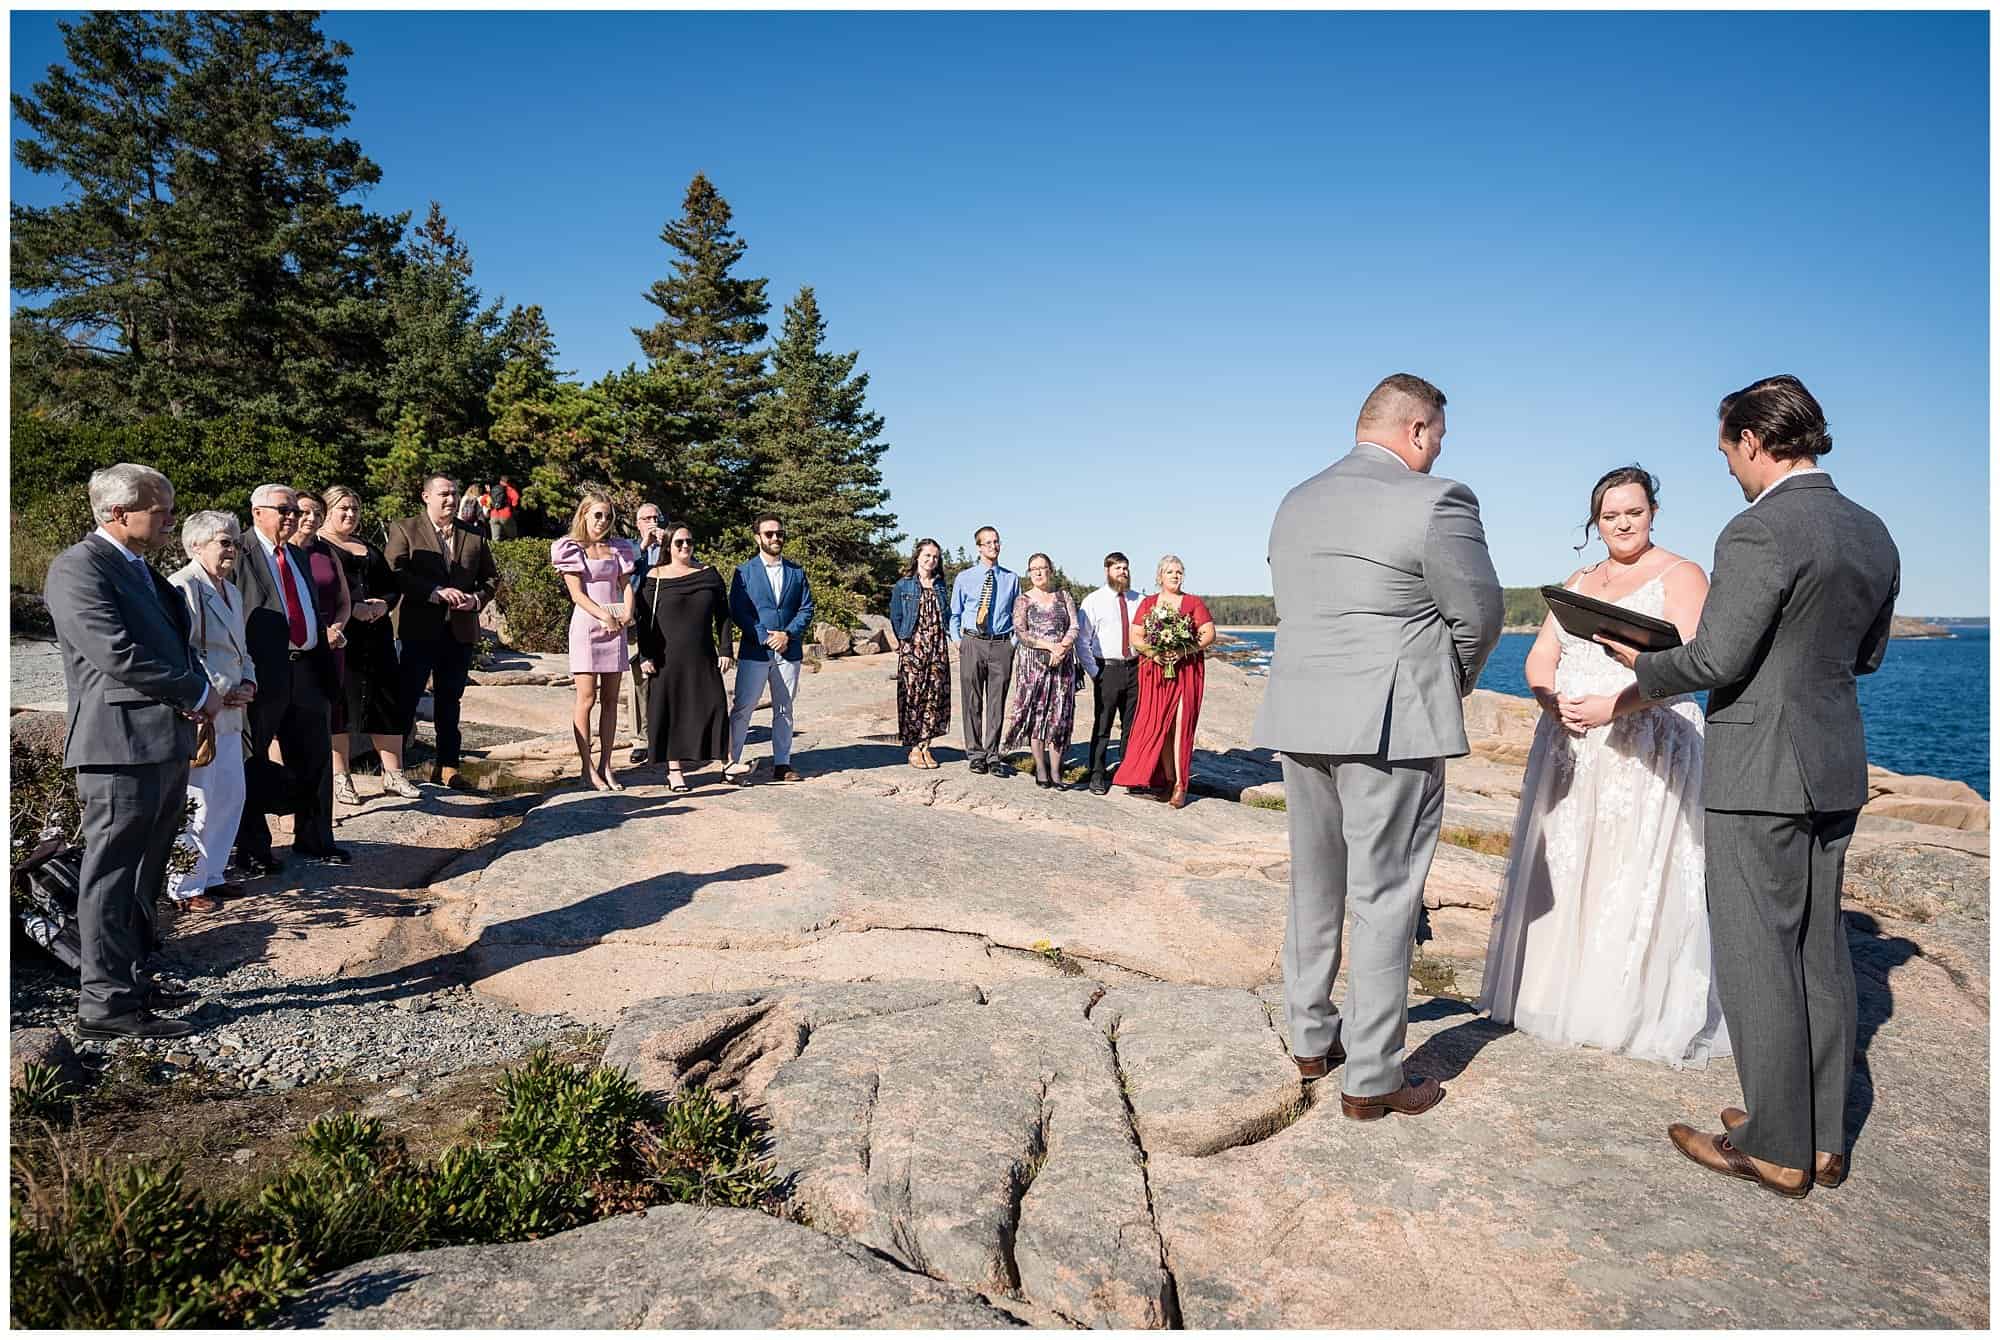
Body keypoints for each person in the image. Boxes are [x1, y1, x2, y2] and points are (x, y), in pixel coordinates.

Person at [1599, 375, 1899, 1198]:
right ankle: (1821, 1134)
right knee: (1820, 948)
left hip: (1761, 768)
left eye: (1729, 449)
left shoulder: (1758, 530)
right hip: (1837, 764)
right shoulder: (1871, 531)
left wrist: (1642, 662)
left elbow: (1716, 660)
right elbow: (1866, 654)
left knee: (1757, 951)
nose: (1730, 466)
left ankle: (1774, 1144)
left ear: (1755, 442)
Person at [1252, 373, 1502, 1118]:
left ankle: (1308, 1036)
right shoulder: (1438, 500)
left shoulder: (1295, 499)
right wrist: (1446, 679)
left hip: (1301, 714)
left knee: (1314, 881)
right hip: (1391, 720)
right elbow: (1480, 615)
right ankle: (1372, 1076)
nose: (1435, 453)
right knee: (1386, 894)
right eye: (1437, 439)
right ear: (1418, 430)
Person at [1477, 466, 1729, 1068]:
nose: (1621, 523)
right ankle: (1551, 996)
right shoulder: (1580, 579)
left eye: (1633, 513)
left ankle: (1626, 1007)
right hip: (1569, 740)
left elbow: (1689, 666)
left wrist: (1613, 705)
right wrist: (1549, 699)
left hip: (1645, 740)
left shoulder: (1682, 574)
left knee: (1630, 867)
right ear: (1596, 520)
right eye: (1610, 514)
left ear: (1652, 513)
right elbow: (1542, 656)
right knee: (1569, 866)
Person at [45, 463, 216, 1039]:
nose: (170, 516)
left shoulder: (145, 572)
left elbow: (175, 645)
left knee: (143, 873)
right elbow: (114, 653)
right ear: (118, 513)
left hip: (161, 742)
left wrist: (199, 694)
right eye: (159, 507)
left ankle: (132, 980)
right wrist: (195, 690)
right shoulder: (78, 568)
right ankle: (105, 1005)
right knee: (111, 875)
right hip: (117, 747)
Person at [234, 481, 345, 867]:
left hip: (308, 669)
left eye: (295, 511)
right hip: (261, 675)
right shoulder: (239, 553)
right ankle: (253, 848)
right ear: (257, 512)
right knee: (251, 759)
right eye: (284, 510)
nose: (292, 517)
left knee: (315, 758)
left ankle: (315, 839)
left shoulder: (296, 555)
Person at [166, 510, 257, 914]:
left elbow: (241, 650)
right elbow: (184, 651)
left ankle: (213, 873)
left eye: (234, 542)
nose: (232, 549)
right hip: (204, 709)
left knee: (229, 795)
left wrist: (249, 683)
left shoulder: (231, 591)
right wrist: (217, 691)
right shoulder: (183, 586)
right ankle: (183, 885)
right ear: (196, 545)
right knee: (198, 798)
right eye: (224, 541)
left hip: (233, 710)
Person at [385, 475, 499, 791]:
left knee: (450, 702)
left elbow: (490, 579)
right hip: (418, 628)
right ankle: (395, 769)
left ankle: (447, 766)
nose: (450, 499)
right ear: (426, 496)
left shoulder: (474, 535)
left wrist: (476, 599)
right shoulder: (405, 528)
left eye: (454, 493)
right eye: (443, 494)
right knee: (406, 699)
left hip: (459, 631)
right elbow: (395, 572)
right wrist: (433, 592)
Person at [321, 485, 419, 802]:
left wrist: (383, 605)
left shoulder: (367, 545)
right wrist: (353, 611)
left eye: (355, 509)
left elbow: (391, 586)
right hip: (342, 638)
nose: (350, 514)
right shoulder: (319, 547)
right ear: (327, 510)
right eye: (343, 508)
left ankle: (393, 773)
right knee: (341, 707)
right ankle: (341, 777)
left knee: (387, 702)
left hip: (377, 637)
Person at [632, 518, 733, 792]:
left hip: (702, 655)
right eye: (679, 542)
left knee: (716, 705)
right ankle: (674, 771)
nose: (685, 546)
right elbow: (643, 621)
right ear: (668, 546)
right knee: (670, 711)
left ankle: (728, 762)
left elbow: (723, 616)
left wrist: (726, 649)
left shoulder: (709, 573)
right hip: (665, 658)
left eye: (689, 541)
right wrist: (645, 656)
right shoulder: (655, 576)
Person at [552, 489, 638, 791]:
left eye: (607, 516)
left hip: (615, 626)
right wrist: (602, 615)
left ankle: (607, 765)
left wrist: (628, 610)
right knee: (586, 698)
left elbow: (626, 584)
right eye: (597, 514)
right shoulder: (570, 548)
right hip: (588, 627)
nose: (602, 521)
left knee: (612, 701)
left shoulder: (619, 548)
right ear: (584, 514)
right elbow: (577, 594)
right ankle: (587, 767)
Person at [726, 513, 815, 784]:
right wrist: (765, 636)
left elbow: (807, 607)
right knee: (743, 708)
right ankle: (731, 764)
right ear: (757, 538)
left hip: (789, 650)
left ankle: (782, 763)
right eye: (769, 534)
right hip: (756, 650)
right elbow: (738, 610)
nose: (775, 538)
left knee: (784, 708)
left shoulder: (796, 572)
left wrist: (788, 634)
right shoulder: (743, 572)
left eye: (779, 533)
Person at [293, 491, 354, 803]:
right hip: (295, 651)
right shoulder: (281, 554)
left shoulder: (326, 551)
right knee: (287, 728)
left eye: (317, 513)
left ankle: (336, 783)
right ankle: (287, 801)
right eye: (305, 512)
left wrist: (338, 627)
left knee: (330, 715)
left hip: (331, 647)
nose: (311, 519)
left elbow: (344, 600)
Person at [1003, 553, 1083, 789]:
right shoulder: (1023, 600)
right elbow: (1021, 633)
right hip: (1033, 665)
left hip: (1063, 665)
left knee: (1059, 717)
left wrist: (1062, 648)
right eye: (1033, 569)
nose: (1038, 572)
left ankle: (1057, 771)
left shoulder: (1063, 596)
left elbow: (1075, 625)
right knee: (1038, 716)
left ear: (1051, 570)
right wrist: (1049, 646)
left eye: (1043, 568)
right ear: (1029, 573)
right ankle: (1040, 768)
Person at [948, 525, 1019, 777]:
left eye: (996, 542)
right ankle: (975, 753)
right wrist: (958, 640)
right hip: (972, 642)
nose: (993, 546)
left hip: (1001, 644)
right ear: (978, 547)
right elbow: (954, 613)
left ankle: (992, 754)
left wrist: (1013, 644)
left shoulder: (1011, 579)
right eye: (987, 543)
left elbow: (1017, 616)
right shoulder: (964, 578)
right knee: (971, 700)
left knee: (997, 702)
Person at [1078, 551, 1143, 795]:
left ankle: (1128, 774)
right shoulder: (1093, 601)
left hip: (1135, 669)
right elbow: (1082, 642)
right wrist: (1095, 672)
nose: (1123, 572)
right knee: (1103, 725)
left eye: (1125, 568)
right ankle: (1097, 773)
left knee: (1132, 726)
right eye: (1118, 568)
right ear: (1107, 571)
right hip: (1107, 669)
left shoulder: (1140, 600)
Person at [889, 538, 952, 770]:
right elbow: (895, 616)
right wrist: (903, 641)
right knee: (913, 696)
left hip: (937, 647)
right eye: (927, 556)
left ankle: (926, 745)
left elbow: (947, 615)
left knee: (934, 696)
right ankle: (914, 747)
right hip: (913, 647)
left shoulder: (940, 585)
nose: (931, 560)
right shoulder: (904, 585)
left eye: (935, 557)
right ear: (917, 557)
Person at [626, 501, 668, 765]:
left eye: (656, 517)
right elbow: (625, 578)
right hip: (637, 621)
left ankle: (667, 733)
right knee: (638, 681)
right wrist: (643, 545)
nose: (652, 522)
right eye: (646, 518)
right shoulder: (630, 548)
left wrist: (668, 544)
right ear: (637, 523)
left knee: (668, 677)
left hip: (666, 620)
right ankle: (641, 740)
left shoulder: (672, 542)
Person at [489, 474, 520, 541]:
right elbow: (516, 499)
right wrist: (513, 508)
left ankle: (494, 551)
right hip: (506, 515)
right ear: (508, 482)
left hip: (493, 515)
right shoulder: (510, 490)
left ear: (500, 481)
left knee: (495, 539)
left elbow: (485, 501)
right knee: (513, 538)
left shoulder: (494, 489)